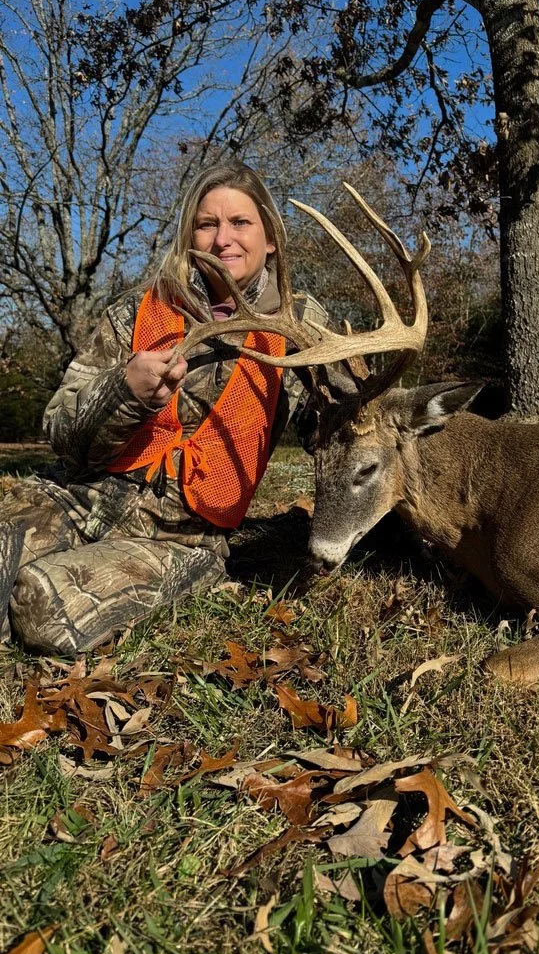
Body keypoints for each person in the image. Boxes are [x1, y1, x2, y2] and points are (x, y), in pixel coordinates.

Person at [0, 161, 326, 656]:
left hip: (177, 535)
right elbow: (59, 430)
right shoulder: (136, 311)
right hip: (77, 497)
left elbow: (348, 428)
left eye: (241, 223)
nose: (223, 240)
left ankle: (186, 573)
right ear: (189, 236)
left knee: (41, 603)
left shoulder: (301, 327)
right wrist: (122, 391)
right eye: (207, 224)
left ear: (272, 238)